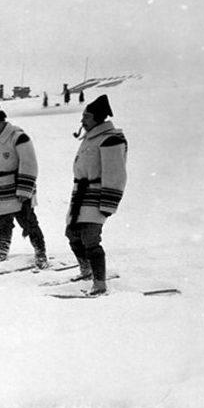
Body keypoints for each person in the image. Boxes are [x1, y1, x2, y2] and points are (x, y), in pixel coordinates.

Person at [66, 94, 128, 295]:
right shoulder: (91, 136)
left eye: (87, 116)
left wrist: (108, 204)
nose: (82, 120)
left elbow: (116, 173)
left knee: (90, 239)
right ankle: (86, 270)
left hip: (96, 196)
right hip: (80, 196)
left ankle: (99, 283)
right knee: (73, 235)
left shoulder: (111, 139)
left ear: (98, 118)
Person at [0, 102, 48, 268]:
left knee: (28, 223)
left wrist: (24, 190)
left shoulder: (19, 137)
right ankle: (2, 253)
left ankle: (40, 254)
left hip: (17, 189)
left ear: (3, 123)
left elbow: (29, 163)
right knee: (2, 224)